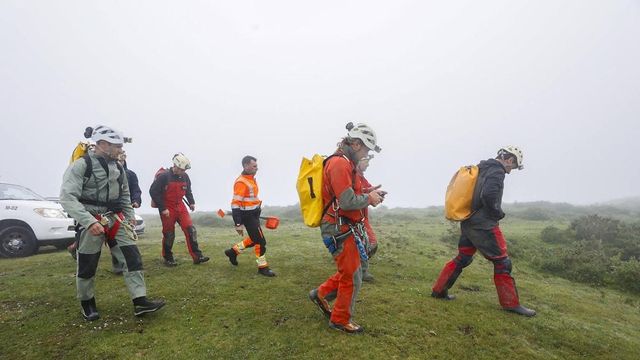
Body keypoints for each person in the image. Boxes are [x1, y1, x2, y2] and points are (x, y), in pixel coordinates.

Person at [60, 125, 165, 321]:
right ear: (102, 144)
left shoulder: (117, 167)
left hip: (115, 219)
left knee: (132, 257)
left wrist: (129, 215)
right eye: (117, 146)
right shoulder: (81, 166)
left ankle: (140, 301)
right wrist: (89, 222)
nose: (120, 150)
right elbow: (67, 198)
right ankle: (87, 303)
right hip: (90, 219)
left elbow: (124, 193)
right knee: (87, 264)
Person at [431, 146, 536, 317]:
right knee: (503, 263)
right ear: (509, 160)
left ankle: (439, 290)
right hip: (484, 226)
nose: (511, 170)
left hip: (468, 221)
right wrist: (497, 213)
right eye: (514, 166)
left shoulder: (481, 168)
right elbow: (489, 195)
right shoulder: (497, 171)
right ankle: (511, 304)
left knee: (463, 257)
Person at [308, 123, 385, 334]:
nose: (366, 154)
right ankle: (340, 320)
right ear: (357, 143)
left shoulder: (343, 163)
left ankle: (321, 294)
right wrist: (368, 198)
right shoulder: (340, 164)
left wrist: (367, 191)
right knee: (352, 276)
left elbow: (344, 194)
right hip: (338, 227)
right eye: (366, 150)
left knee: (351, 271)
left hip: (341, 225)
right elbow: (347, 201)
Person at [149, 153, 209, 266]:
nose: (183, 172)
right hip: (167, 207)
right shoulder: (163, 176)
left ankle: (197, 256)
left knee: (191, 230)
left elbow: (188, 190)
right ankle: (168, 258)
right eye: (182, 169)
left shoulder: (185, 176)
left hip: (180, 206)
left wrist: (191, 202)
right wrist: (162, 208)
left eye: (184, 170)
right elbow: (153, 191)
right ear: (176, 166)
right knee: (169, 234)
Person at [224, 156, 276, 277]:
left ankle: (233, 252)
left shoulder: (251, 179)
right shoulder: (241, 182)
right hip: (248, 217)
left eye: (256, 166)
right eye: (254, 166)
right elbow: (235, 203)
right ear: (246, 166)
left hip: (254, 215)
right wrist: (238, 223)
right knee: (261, 242)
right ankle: (263, 267)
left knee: (254, 240)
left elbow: (250, 199)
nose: (257, 168)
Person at [109, 151, 142, 274]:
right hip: (111, 210)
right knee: (113, 237)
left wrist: (136, 201)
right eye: (118, 161)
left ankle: (131, 264)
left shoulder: (131, 174)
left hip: (126, 208)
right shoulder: (108, 173)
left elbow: (136, 190)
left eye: (121, 161)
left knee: (127, 236)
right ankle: (117, 265)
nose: (119, 163)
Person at [356, 155, 384, 282]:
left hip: (362, 217)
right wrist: (369, 192)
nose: (368, 165)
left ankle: (360, 270)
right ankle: (360, 271)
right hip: (355, 217)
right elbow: (352, 193)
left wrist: (376, 193)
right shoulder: (352, 175)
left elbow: (366, 192)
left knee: (366, 244)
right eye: (366, 162)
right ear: (359, 161)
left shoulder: (361, 177)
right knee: (370, 243)